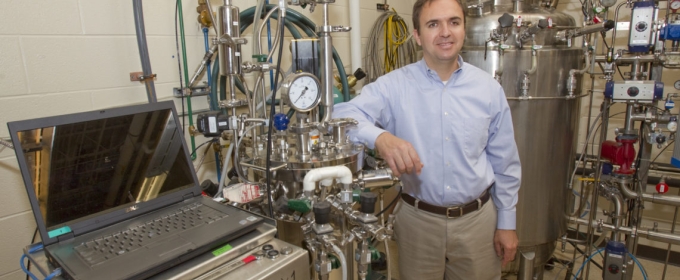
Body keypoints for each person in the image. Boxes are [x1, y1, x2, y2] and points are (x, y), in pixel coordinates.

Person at [332, 0, 521, 279]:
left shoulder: (488, 90)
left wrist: (507, 222)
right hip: (417, 222)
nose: (445, 32)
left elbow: (505, 162)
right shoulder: (393, 86)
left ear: (463, 30)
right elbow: (341, 114)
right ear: (417, 35)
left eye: (453, 22)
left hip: (478, 222)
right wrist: (381, 137)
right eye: (433, 24)